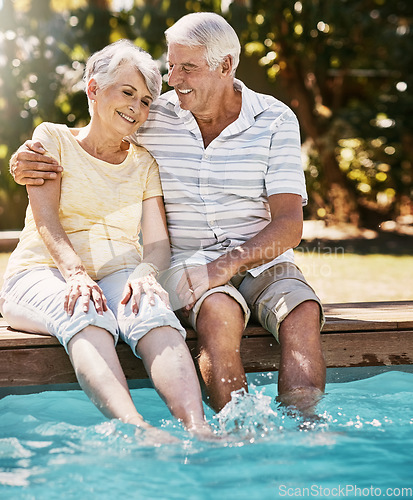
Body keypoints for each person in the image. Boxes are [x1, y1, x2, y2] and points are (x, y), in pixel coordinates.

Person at [10, 13, 326, 416]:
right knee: (217, 313)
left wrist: (224, 267)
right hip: (189, 261)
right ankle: (239, 432)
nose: (173, 79)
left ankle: (307, 426)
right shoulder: (155, 114)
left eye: (186, 67)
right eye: (172, 65)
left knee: (303, 313)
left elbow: (289, 224)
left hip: (263, 258)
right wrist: (26, 162)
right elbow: (97, 130)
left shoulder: (275, 119)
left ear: (225, 66)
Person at [1, 39, 212, 439]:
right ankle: (136, 428)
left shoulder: (143, 162)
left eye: (147, 101)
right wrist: (77, 274)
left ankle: (197, 428)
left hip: (116, 272)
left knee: (153, 311)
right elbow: (47, 222)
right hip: (41, 271)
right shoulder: (53, 139)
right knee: (85, 310)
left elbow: (156, 244)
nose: (137, 107)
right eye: (128, 93)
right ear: (94, 89)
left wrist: (147, 273)